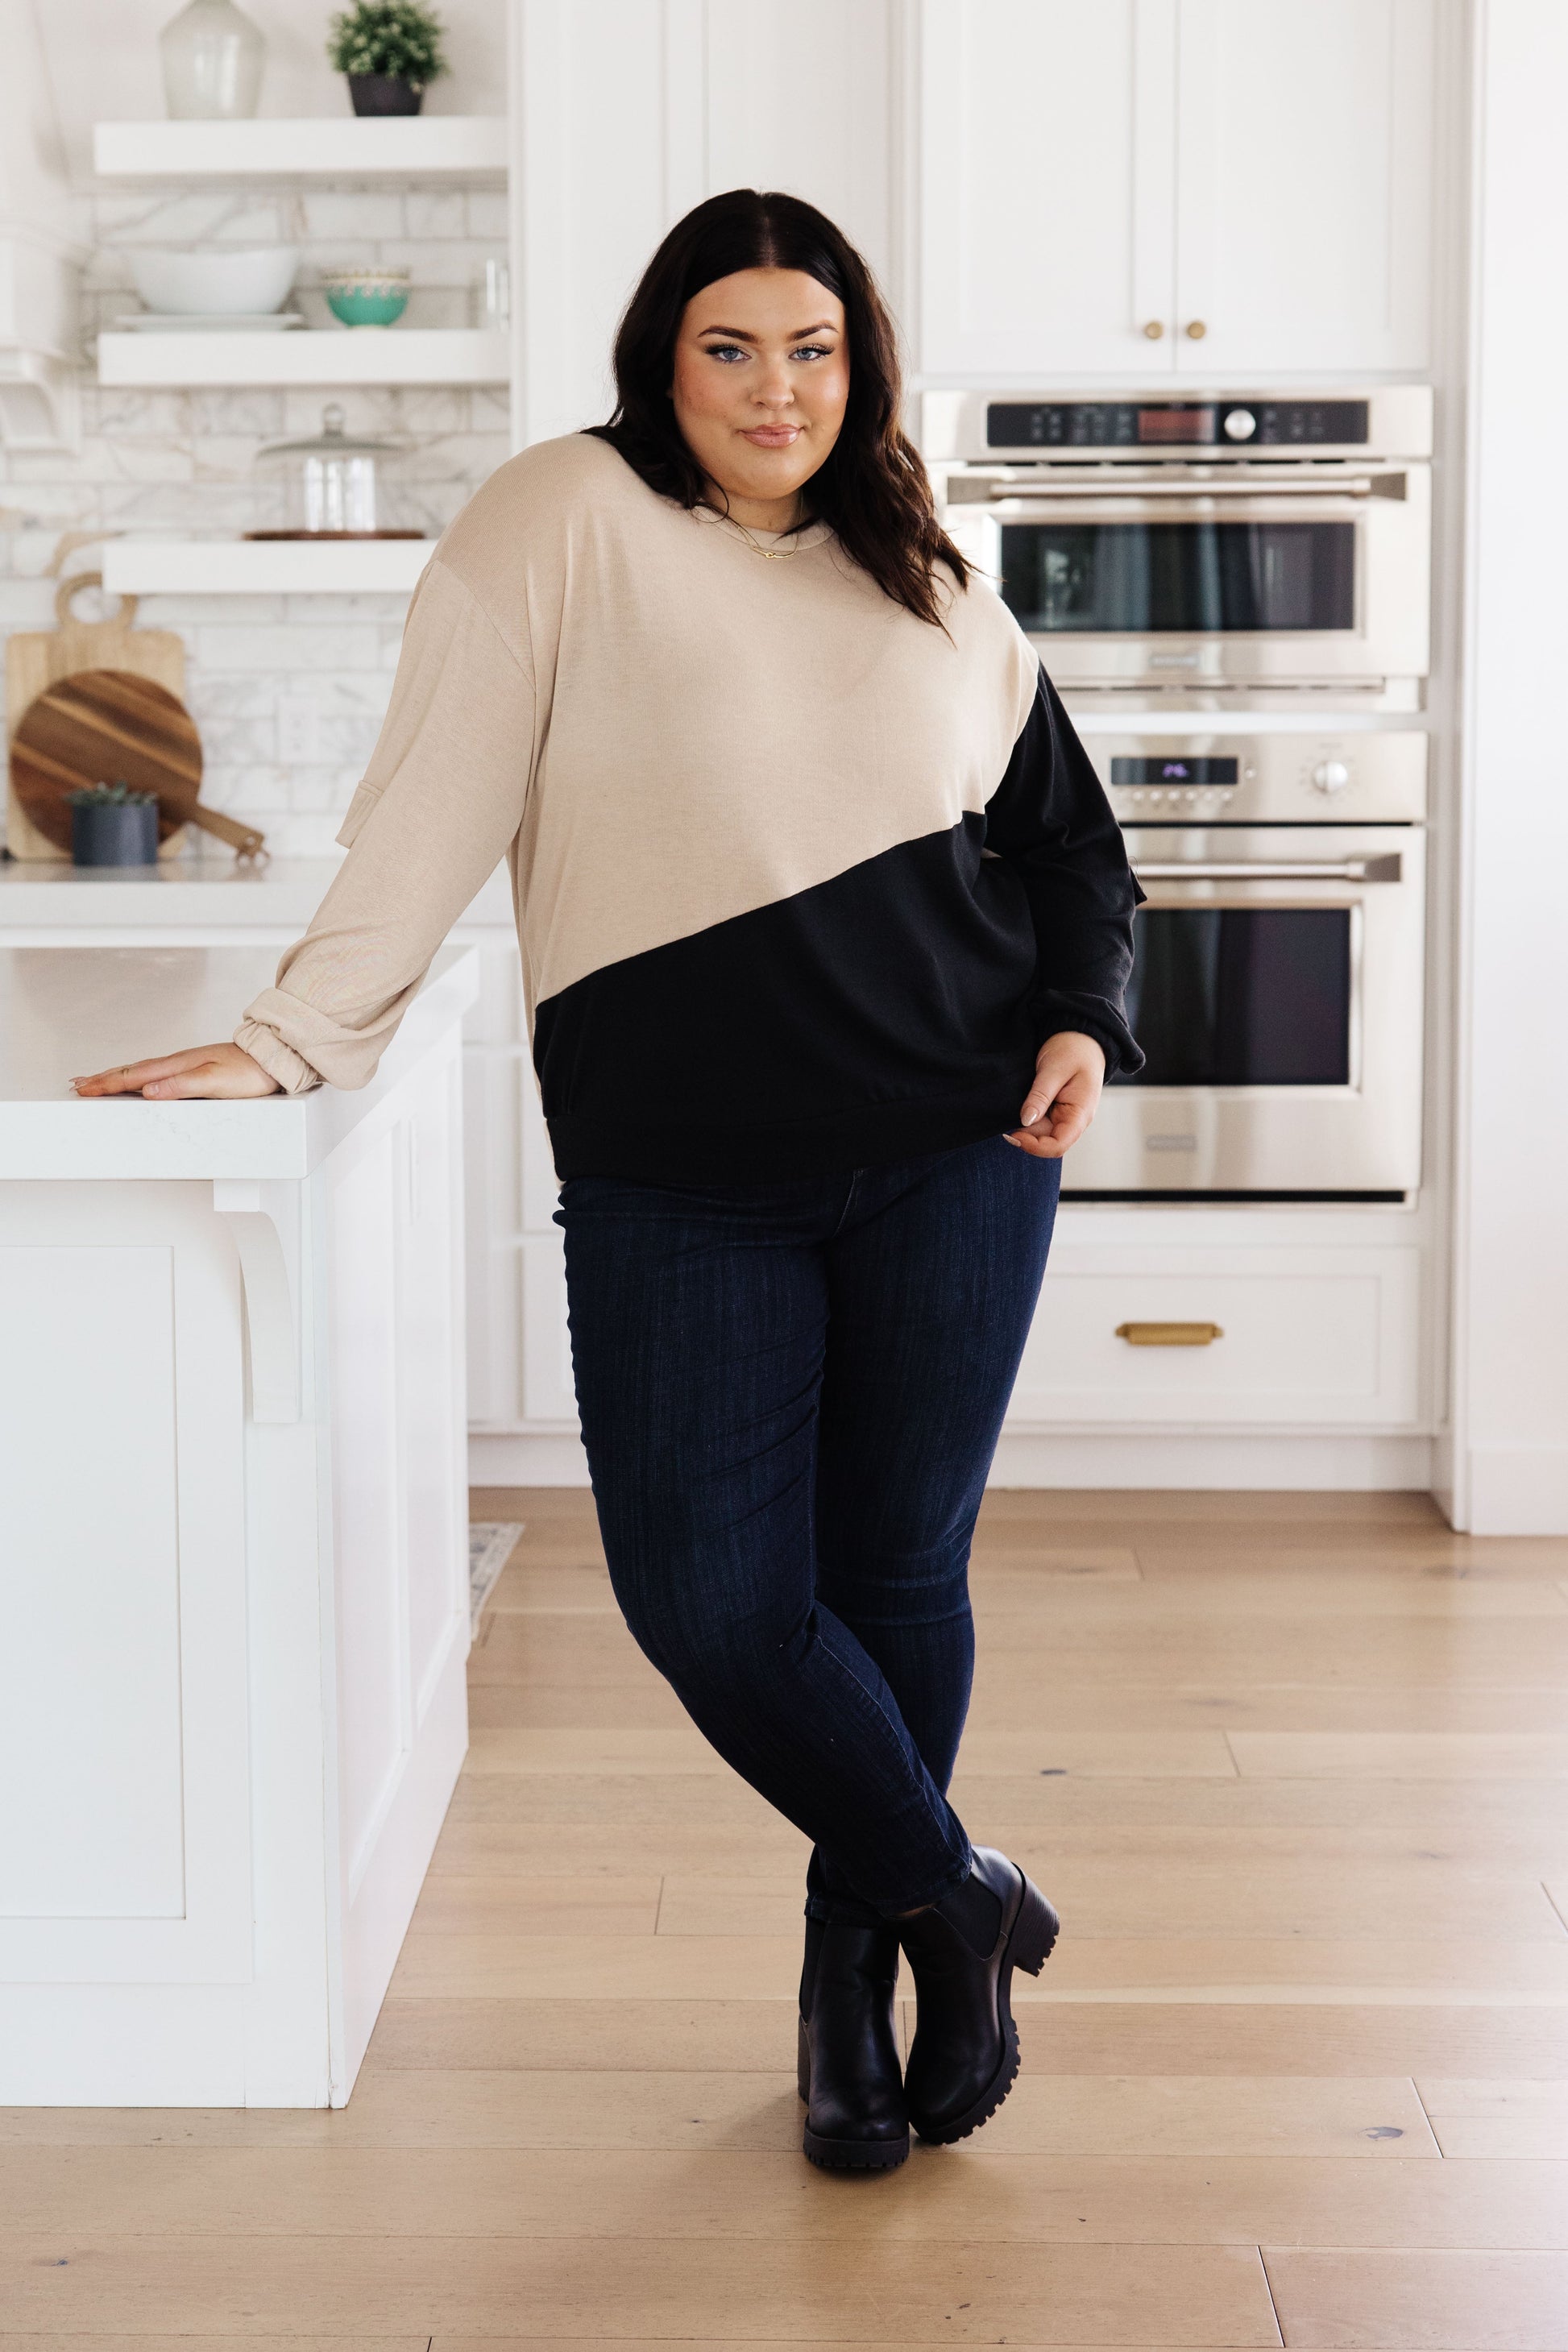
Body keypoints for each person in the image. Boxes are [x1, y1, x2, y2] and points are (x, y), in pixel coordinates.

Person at [76, 189, 1143, 2172]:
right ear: (664, 356)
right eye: (730, 345)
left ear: (862, 364)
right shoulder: (553, 522)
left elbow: (1074, 847)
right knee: (713, 1602)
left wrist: (1082, 1009)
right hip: (680, 1174)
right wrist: (297, 1036)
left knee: (894, 1572)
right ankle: (951, 1891)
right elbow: (429, 807)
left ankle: (855, 1970)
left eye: (812, 347)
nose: (775, 385)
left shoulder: (922, 565)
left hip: (954, 1147)